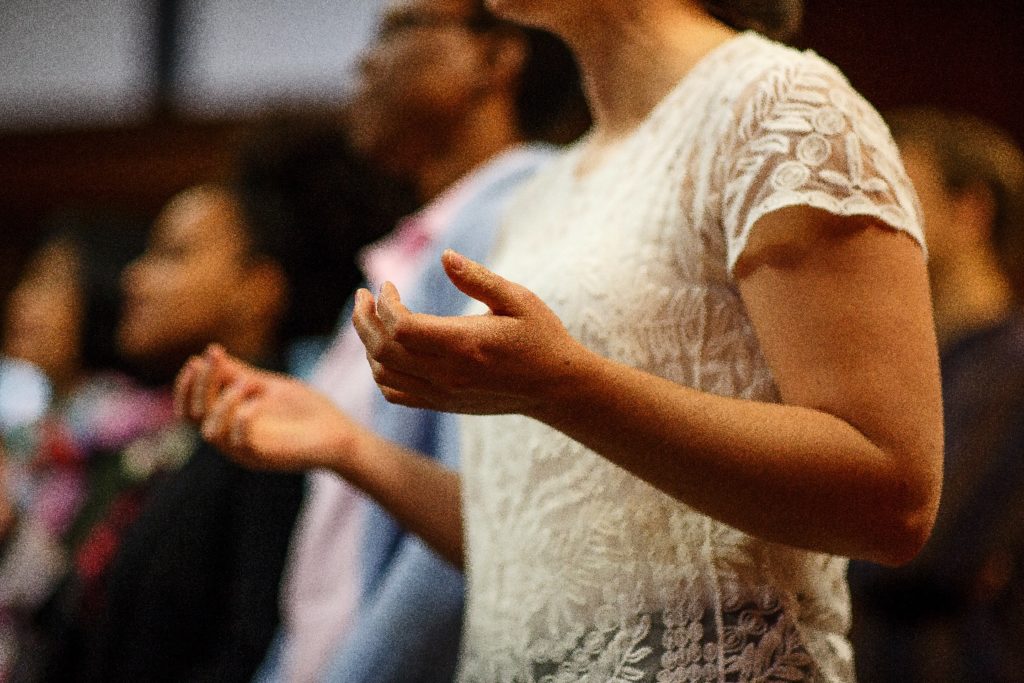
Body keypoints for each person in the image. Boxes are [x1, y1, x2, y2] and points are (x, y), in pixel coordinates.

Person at [181, 1, 943, 680]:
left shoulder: (782, 106)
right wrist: (353, 448)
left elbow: (892, 495)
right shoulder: (546, 192)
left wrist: (567, 386)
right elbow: (539, 552)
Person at [250, 3, 587, 680]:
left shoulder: (512, 217)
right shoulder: (434, 233)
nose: (363, 62)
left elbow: (472, 533)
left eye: (395, 30)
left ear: (497, 58)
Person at [37, 119, 409, 683]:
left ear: (257, 289)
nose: (136, 278)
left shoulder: (273, 441)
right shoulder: (179, 430)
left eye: (173, 254)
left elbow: (247, 645)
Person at [848, 109, 1024, 683]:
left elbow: (917, 552)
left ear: (970, 210)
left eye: (897, 191)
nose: (872, 215)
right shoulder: (906, 360)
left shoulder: (1011, 361)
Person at [0, 219, 173, 681]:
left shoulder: (137, 438)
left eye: (50, 283)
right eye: (27, 282)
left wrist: (11, 527)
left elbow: (91, 603)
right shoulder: (40, 438)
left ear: (100, 294)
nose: (21, 302)